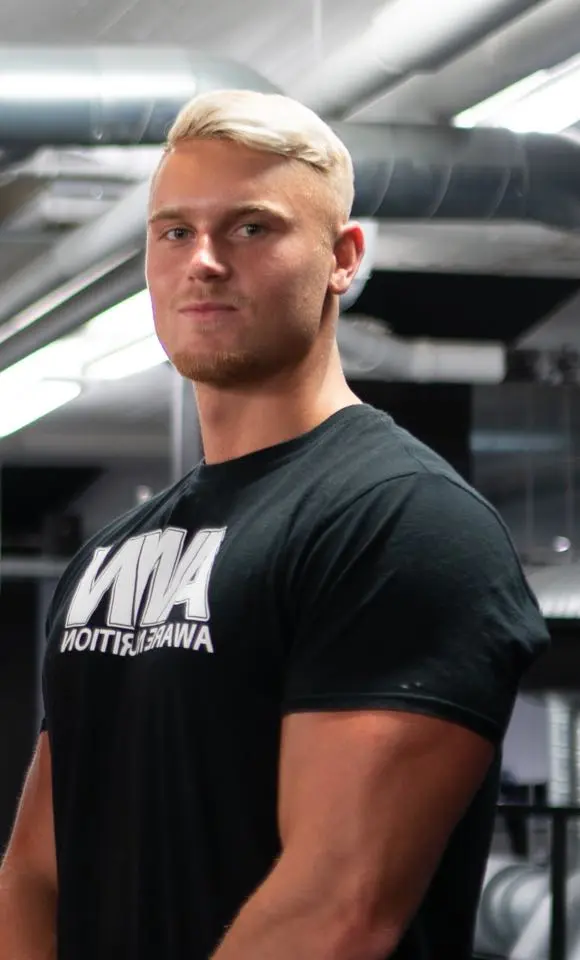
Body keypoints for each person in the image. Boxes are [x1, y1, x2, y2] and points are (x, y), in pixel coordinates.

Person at [0, 89, 549, 960]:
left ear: (343, 257)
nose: (204, 261)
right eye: (175, 231)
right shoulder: (111, 556)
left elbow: (335, 905)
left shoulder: (405, 522)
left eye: (251, 228)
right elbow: (36, 872)